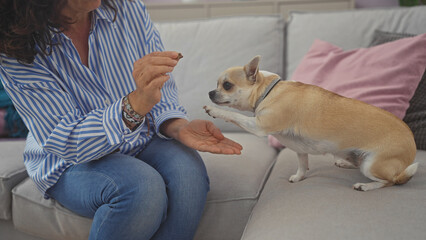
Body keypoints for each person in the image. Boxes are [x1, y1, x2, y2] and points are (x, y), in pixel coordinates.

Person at [0, 0, 243, 239]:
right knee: (140, 187)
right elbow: (67, 140)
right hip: (67, 161)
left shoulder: (126, 6)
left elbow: (157, 81)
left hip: (139, 136)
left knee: (188, 175)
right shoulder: (15, 48)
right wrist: (134, 105)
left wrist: (177, 126)